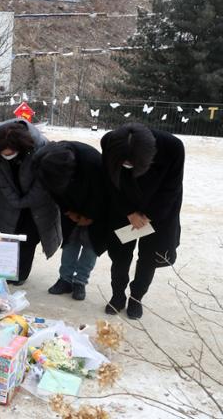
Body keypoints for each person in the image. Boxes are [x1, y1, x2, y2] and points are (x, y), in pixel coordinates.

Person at [101, 123, 184, 319]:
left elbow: (171, 188)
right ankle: (118, 295)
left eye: (132, 164)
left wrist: (148, 216)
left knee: (149, 258)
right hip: (123, 205)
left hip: (159, 210)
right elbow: (109, 181)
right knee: (120, 254)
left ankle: (136, 297)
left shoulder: (172, 147)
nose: (127, 167)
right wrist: (129, 212)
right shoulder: (110, 141)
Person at [33, 141, 108, 300]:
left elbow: (102, 192)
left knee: (90, 247)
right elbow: (51, 190)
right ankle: (65, 279)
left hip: (95, 211)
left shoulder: (92, 161)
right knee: (69, 244)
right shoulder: (43, 162)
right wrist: (68, 211)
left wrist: (90, 216)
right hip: (70, 208)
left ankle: (80, 282)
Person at [0, 119, 61, 285]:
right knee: (7, 235)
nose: (6, 157)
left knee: (29, 238)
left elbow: (42, 184)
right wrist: (14, 200)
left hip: (37, 203)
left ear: (20, 147)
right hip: (10, 199)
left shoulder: (41, 146)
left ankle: (21, 274)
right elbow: (2, 179)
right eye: (3, 155)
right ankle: (5, 271)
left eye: (9, 154)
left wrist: (25, 201)